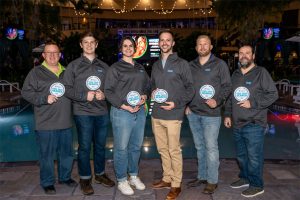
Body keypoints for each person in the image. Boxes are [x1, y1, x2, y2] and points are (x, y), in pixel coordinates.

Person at [22, 41, 77, 195]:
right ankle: (47, 182)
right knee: (46, 156)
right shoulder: (35, 72)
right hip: (45, 124)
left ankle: (65, 177)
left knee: (66, 154)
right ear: (43, 55)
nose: (52, 55)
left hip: (65, 121)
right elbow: (26, 92)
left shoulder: (67, 72)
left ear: (60, 55)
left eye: (55, 52)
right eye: (49, 53)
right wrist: (44, 98)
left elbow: (75, 92)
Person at [63, 32, 115, 195]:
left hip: (101, 112)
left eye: (92, 42)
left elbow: (111, 89)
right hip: (82, 112)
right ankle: (85, 178)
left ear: (96, 44)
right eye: (86, 42)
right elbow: (66, 88)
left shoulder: (104, 67)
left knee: (100, 146)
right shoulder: (73, 66)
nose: (89, 45)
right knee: (85, 147)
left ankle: (99, 174)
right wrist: (83, 96)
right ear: (81, 45)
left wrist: (104, 95)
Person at [224, 44, 278, 198]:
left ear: (253, 56)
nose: (244, 56)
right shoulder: (235, 74)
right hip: (237, 123)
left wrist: (252, 103)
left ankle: (256, 184)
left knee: (254, 157)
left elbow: (273, 94)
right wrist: (227, 114)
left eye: (247, 53)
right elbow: (230, 97)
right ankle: (245, 178)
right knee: (241, 156)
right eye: (241, 53)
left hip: (254, 123)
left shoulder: (261, 73)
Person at [151, 30, 194, 200]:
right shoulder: (155, 65)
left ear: (173, 43)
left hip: (174, 114)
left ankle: (176, 184)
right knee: (162, 149)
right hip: (156, 114)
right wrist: (153, 92)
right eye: (162, 40)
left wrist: (177, 103)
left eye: (168, 40)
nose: (164, 43)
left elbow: (191, 88)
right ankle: (167, 178)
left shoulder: (182, 64)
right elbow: (153, 86)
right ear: (159, 43)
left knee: (173, 150)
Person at [185, 35, 231, 194]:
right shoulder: (190, 65)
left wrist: (218, 101)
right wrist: (186, 105)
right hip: (193, 113)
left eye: (206, 44)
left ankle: (212, 180)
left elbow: (227, 86)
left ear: (211, 47)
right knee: (199, 147)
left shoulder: (220, 64)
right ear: (196, 47)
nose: (203, 47)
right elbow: (187, 87)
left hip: (212, 114)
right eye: (199, 44)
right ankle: (202, 176)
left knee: (211, 147)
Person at [104, 36, 150, 196]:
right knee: (121, 148)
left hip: (140, 112)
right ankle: (122, 180)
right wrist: (125, 106)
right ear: (121, 48)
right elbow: (108, 91)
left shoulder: (140, 67)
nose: (128, 48)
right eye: (125, 46)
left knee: (136, 146)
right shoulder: (115, 68)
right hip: (122, 112)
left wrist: (144, 95)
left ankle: (133, 176)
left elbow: (147, 86)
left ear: (135, 48)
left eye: (131, 46)